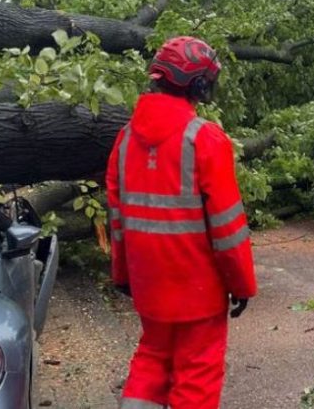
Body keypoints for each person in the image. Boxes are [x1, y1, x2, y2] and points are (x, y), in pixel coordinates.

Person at [106, 36, 257, 409]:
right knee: (197, 377)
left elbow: (118, 223)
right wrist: (242, 284)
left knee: (151, 359)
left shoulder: (124, 141)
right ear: (200, 85)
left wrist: (123, 276)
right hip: (199, 292)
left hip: (148, 286)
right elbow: (227, 228)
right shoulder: (205, 139)